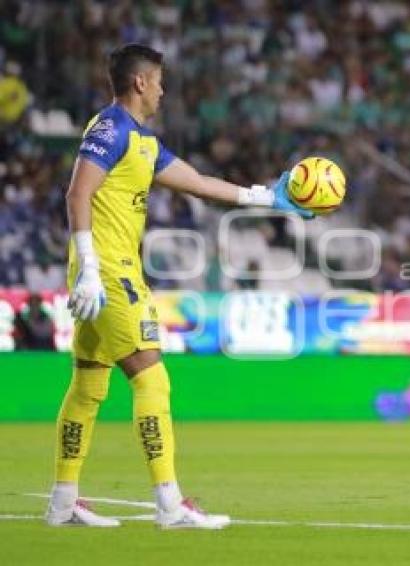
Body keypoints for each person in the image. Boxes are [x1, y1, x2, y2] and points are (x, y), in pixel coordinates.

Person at [46, 44, 313, 528]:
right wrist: (87, 265)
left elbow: (196, 182)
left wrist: (269, 198)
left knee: (88, 384)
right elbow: (77, 192)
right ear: (141, 82)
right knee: (152, 379)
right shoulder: (110, 128)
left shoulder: (142, 142)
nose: (164, 90)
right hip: (107, 272)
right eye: (160, 81)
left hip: (111, 270)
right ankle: (169, 504)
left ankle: (63, 501)